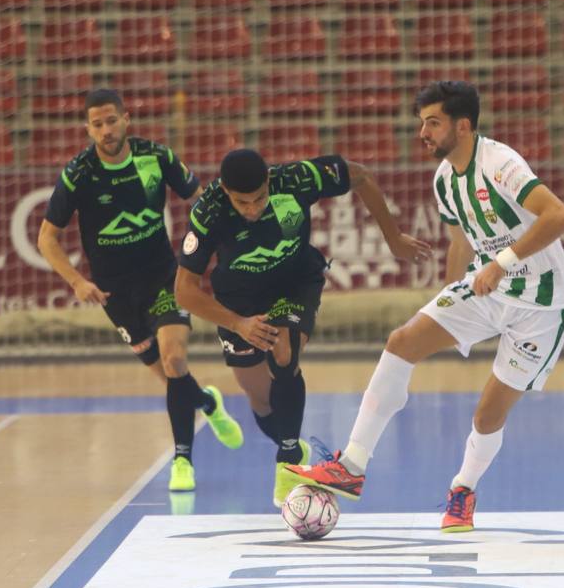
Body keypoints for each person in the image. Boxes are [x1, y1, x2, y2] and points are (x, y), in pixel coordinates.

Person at [286, 80, 564, 532]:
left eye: (433, 123)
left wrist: (500, 263)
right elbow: (460, 240)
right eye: (421, 123)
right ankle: (353, 464)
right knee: (403, 340)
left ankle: (463, 489)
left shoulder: (500, 163)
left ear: (462, 127)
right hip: (486, 289)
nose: (423, 132)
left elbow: (558, 216)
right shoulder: (444, 179)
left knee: (488, 414)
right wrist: (445, 304)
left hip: (541, 303)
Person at [175, 147, 429, 507]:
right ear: (226, 193)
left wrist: (393, 237)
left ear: (268, 182)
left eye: (259, 198)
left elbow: (360, 175)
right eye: (242, 202)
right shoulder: (209, 210)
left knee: (283, 353)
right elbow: (183, 291)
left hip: (294, 284)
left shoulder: (295, 180)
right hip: (238, 303)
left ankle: (288, 461)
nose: (252, 209)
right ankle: (288, 439)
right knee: (262, 402)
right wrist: (238, 324)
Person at [37, 89, 243, 491]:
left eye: (112, 120)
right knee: (172, 381)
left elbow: (201, 202)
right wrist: (77, 281)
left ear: (126, 119)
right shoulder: (78, 174)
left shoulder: (156, 157)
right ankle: (208, 404)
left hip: (163, 277)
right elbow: (47, 238)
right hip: (114, 294)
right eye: (97, 124)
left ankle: (182, 462)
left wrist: (201, 255)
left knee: (174, 360)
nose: (106, 130)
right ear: (88, 128)